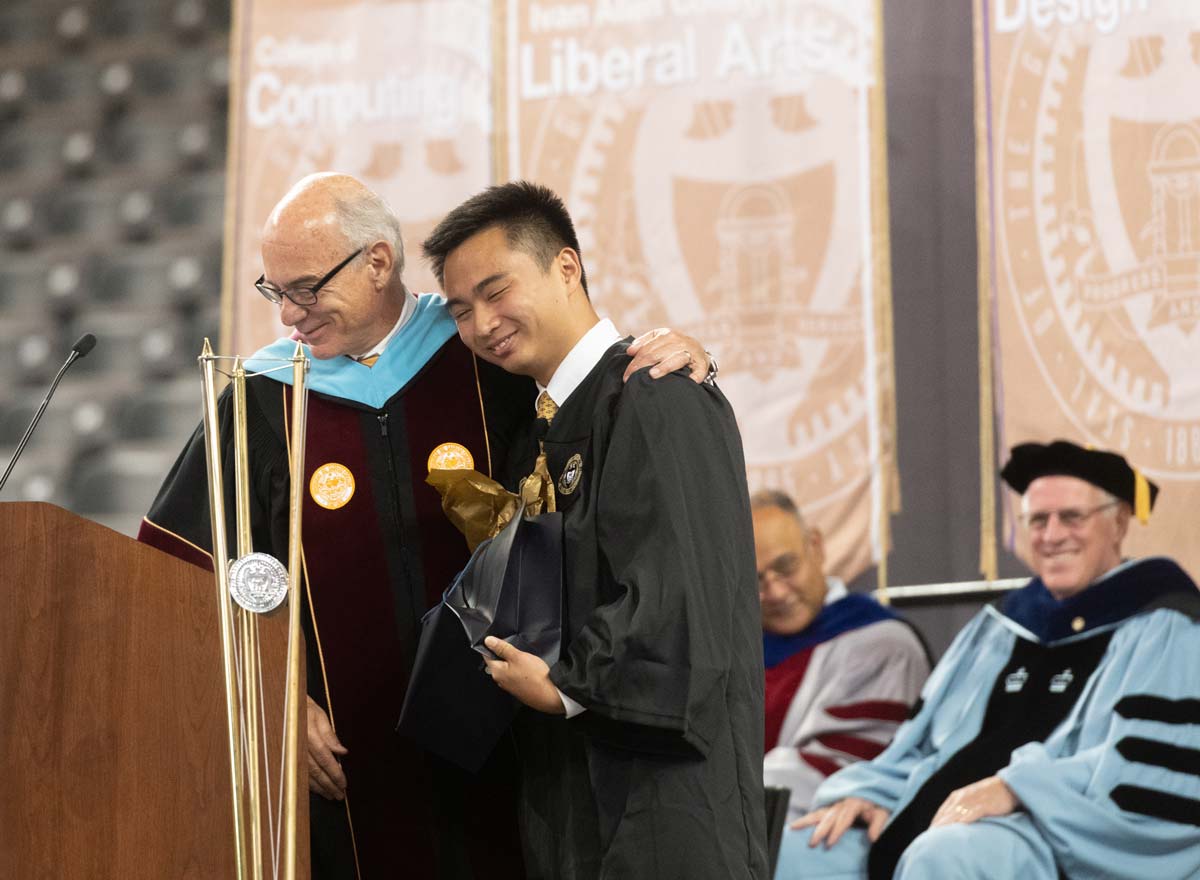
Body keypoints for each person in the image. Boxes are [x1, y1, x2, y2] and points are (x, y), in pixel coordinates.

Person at [138, 172, 713, 879]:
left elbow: (594, 398)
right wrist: (273, 693)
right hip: (346, 766)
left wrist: (673, 348)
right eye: (275, 290)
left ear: (378, 262)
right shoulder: (262, 400)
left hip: (513, 737)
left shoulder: (484, 353)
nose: (289, 315)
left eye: (306, 288)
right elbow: (175, 570)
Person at [422, 180, 769, 880]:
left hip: (668, 793)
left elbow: (678, 590)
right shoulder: (537, 432)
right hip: (573, 789)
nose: (482, 323)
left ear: (567, 267)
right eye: (462, 310)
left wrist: (565, 685)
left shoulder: (654, 393)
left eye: (497, 291)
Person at [777, 439, 1200, 879]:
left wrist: (1016, 788)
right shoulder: (1001, 625)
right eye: (1037, 520)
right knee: (790, 853)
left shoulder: (1166, 623)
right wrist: (873, 791)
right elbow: (923, 742)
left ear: (1119, 522)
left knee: (944, 856)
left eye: (1072, 517)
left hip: (1056, 832)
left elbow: (1142, 775)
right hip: (940, 819)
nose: (1052, 536)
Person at [752, 489, 928, 823]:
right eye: (755, 578)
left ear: (815, 547)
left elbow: (851, 767)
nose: (775, 592)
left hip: (829, 832)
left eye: (785, 567)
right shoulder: (735, 649)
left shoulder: (880, 644)